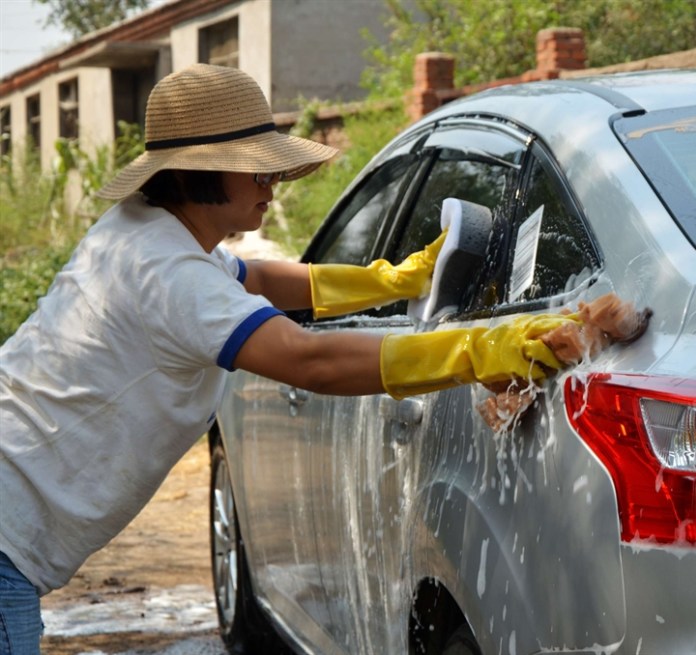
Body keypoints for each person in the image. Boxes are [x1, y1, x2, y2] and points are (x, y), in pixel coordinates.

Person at [0, 63, 577, 653]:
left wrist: (394, 279)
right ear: (203, 171)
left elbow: (258, 279)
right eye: (257, 167)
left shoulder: (146, 231)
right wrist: (480, 347)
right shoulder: (169, 273)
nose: (271, 182)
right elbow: (309, 362)